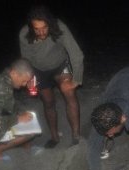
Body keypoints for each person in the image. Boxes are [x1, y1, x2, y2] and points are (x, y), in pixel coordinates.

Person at [19, 5, 84, 148]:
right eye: (37, 29)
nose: (41, 32)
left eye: (44, 27)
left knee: (69, 92)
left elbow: (76, 54)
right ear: (31, 27)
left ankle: (76, 136)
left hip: (60, 65)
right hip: (39, 70)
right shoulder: (24, 34)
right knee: (48, 102)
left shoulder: (59, 27)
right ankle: (54, 137)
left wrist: (76, 80)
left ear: (50, 24)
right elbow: (26, 60)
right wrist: (31, 80)